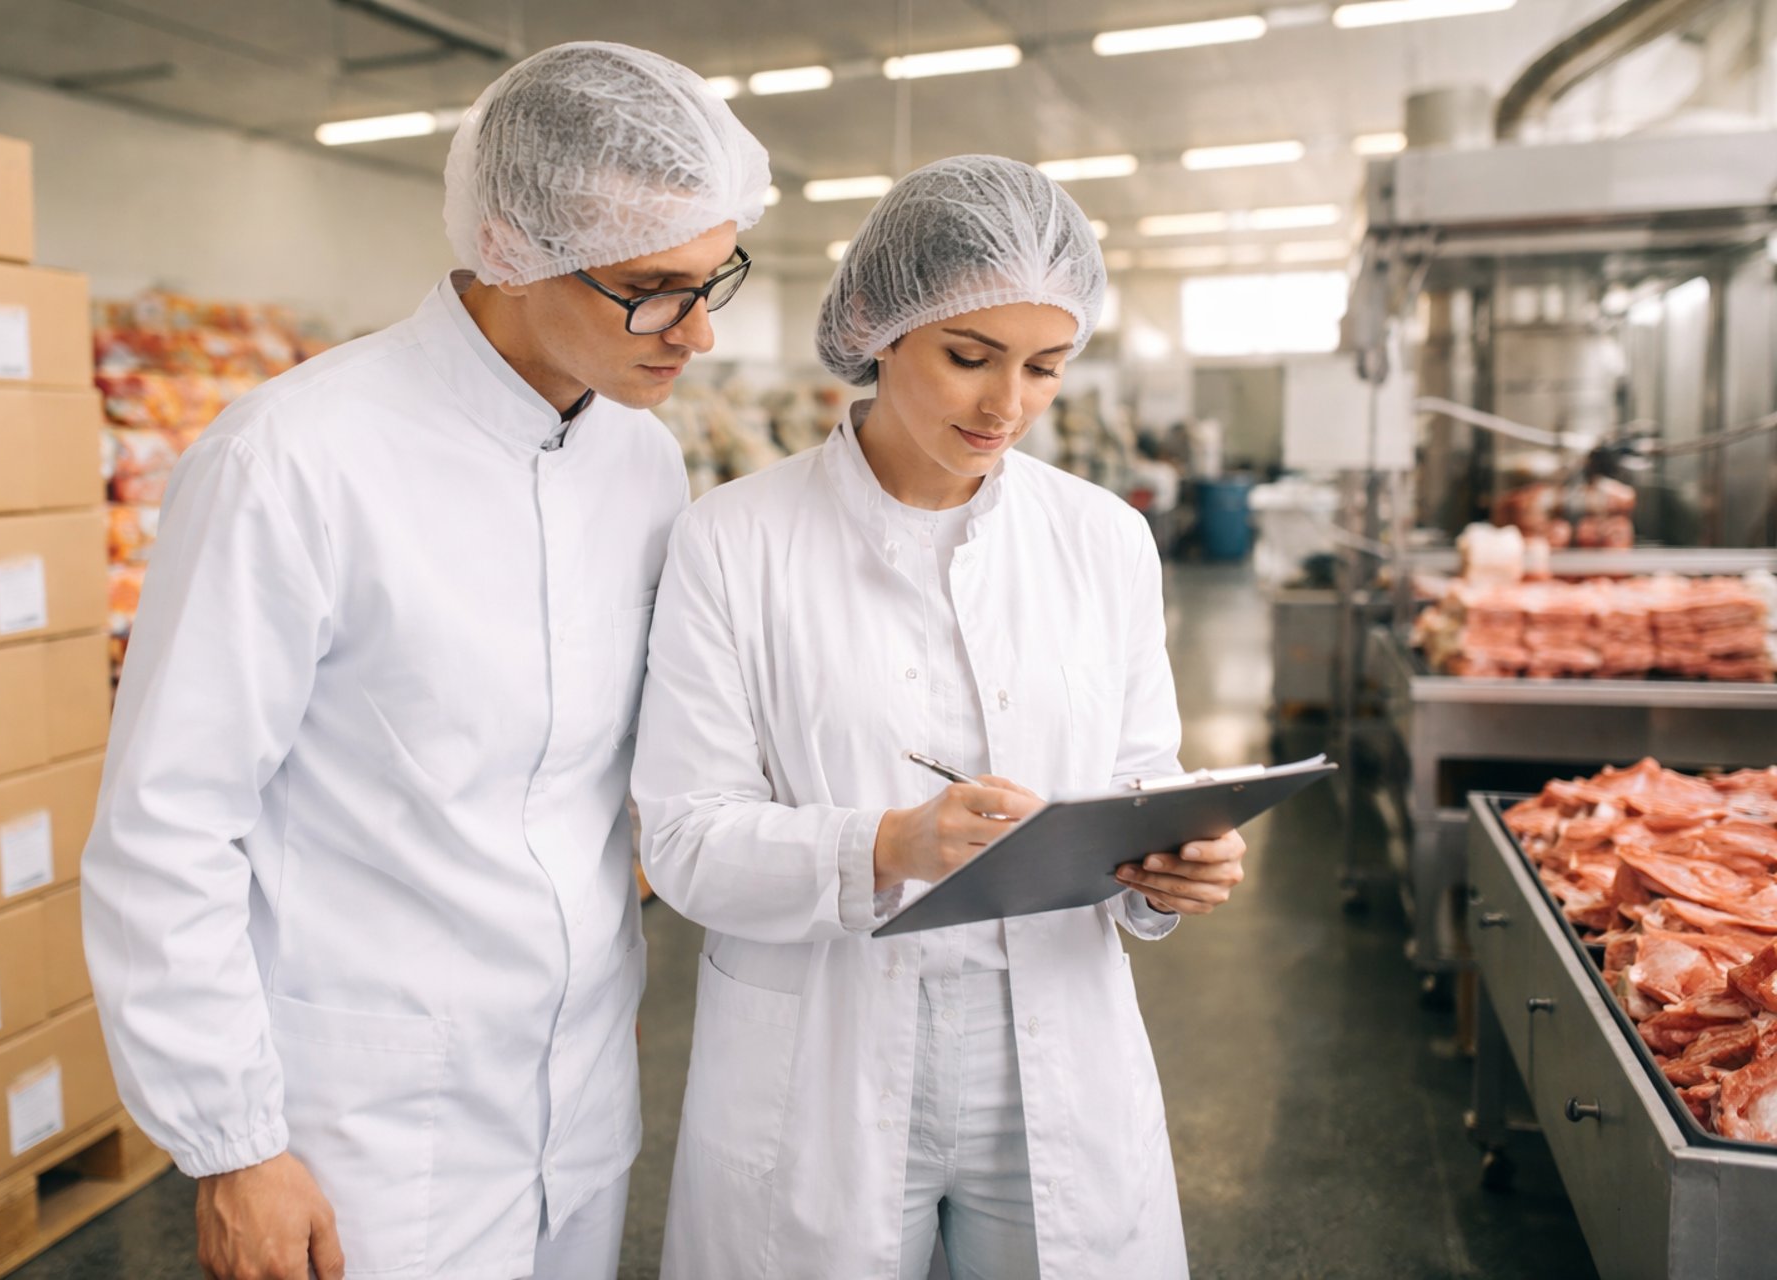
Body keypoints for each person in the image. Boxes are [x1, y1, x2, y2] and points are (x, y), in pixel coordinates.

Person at [81, 42, 769, 1280]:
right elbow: (167, 825)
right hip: (366, 1136)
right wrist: (232, 1143)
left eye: (713, 275)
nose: (701, 330)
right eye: (655, 286)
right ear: (512, 244)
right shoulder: (291, 462)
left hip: (580, 1088)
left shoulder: (639, 459)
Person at [632, 155, 1247, 1280]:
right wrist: (889, 842)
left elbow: (1138, 771)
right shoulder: (731, 541)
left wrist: (1173, 859)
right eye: (969, 357)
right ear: (878, 327)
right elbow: (681, 838)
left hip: (1053, 1044)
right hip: (823, 1045)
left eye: (1044, 366)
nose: (1004, 404)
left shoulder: (1104, 538)